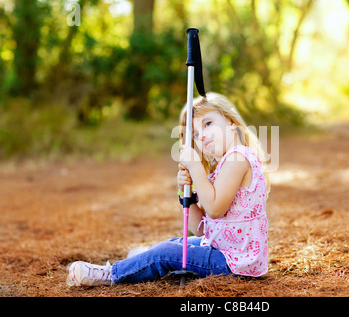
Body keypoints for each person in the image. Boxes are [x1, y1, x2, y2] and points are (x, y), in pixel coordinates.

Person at [66, 93, 269, 287]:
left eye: (208, 124)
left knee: (167, 252)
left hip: (234, 262)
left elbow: (215, 209)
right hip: (224, 250)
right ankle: (147, 260)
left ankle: (111, 274)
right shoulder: (224, 165)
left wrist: (196, 168)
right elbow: (200, 229)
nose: (203, 136)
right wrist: (185, 193)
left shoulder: (238, 157)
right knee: (176, 243)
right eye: (196, 134)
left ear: (231, 123)